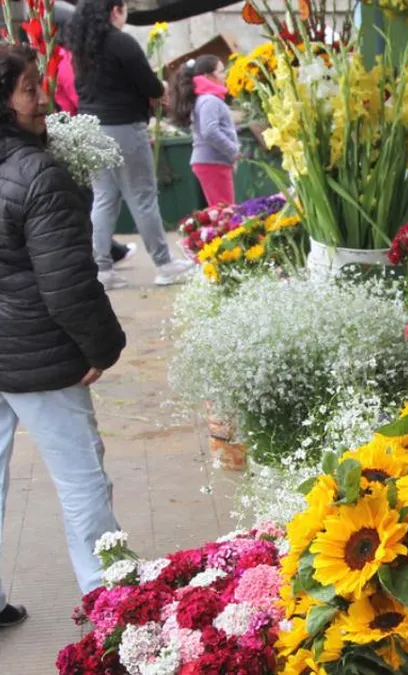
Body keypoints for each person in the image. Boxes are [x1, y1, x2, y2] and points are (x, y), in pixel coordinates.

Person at [0, 44, 126, 629]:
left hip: (20, 348)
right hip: (40, 356)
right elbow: (68, 282)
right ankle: (114, 610)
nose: (44, 99)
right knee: (82, 483)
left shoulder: (34, 169)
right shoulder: (39, 173)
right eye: (29, 88)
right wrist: (102, 346)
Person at [64, 0, 192, 291]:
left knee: (104, 198)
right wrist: (161, 89)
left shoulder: (82, 47)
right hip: (123, 126)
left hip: (91, 127)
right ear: (115, 10)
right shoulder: (121, 42)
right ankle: (164, 265)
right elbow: (149, 84)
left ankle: (102, 269)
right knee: (143, 196)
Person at [53, 44, 138, 267]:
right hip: (76, 128)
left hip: (73, 127)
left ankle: (105, 251)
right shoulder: (63, 58)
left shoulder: (62, 56)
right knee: (93, 195)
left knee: (95, 195)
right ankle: (104, 252)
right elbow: (77, 93)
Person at [168, 55, 239, 207]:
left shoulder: (205, 99)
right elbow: (210, 131)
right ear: (207, 76)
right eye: (221, 72)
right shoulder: (209, 100)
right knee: (226, 210)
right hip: (213, 162)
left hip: (212, 162)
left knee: (221, 209)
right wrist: (233, 150)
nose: (225, 76)